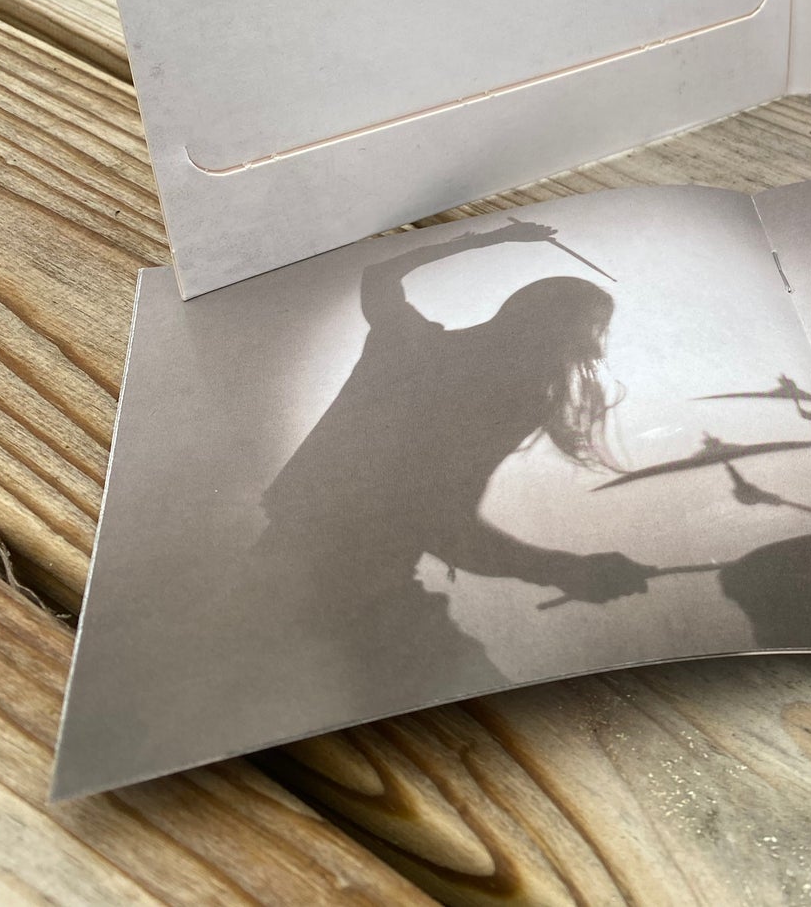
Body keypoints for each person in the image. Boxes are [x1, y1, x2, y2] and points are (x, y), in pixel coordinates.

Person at [244, 214, 651, 716]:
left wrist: (493, 239)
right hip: (355, 598)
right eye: (585, 339)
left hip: (284, 570)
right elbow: (439, 527)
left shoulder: (408, 341)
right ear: (564, 340)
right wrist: (569, 570)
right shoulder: (507, 398)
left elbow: (378, 275)